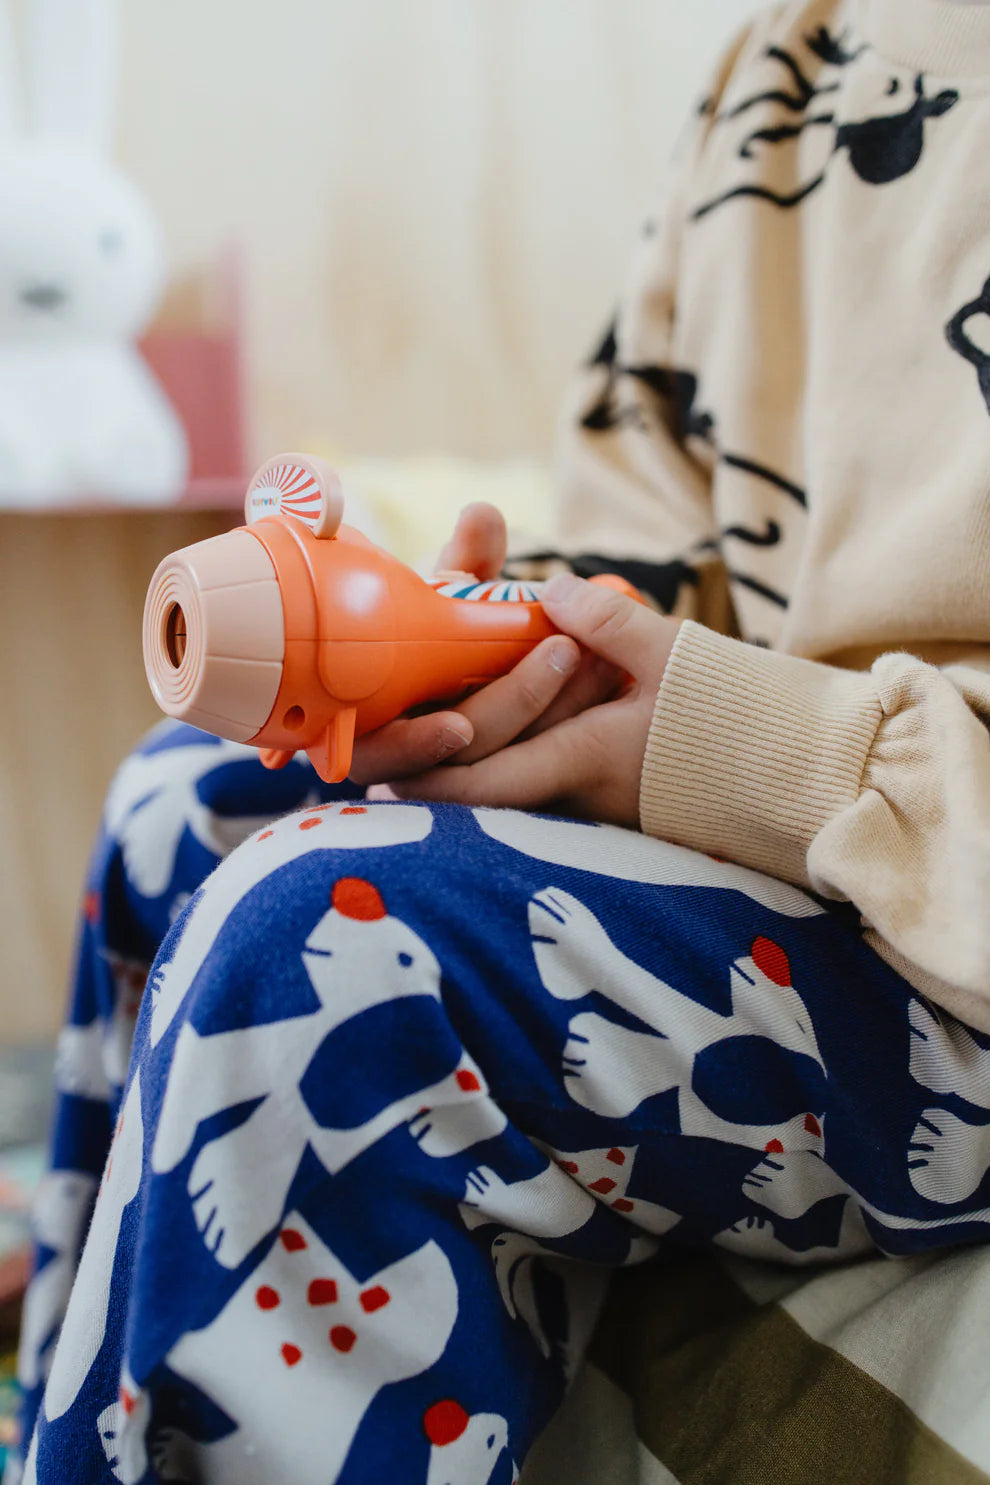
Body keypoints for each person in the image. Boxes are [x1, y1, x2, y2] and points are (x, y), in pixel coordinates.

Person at [15, 0, 990, 1479]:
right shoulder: (792, 56)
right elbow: (657, 520)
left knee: (323, 942)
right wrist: (536, 639)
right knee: (187, 804)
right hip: (807, 848)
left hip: (954, 938)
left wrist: (736, 743)